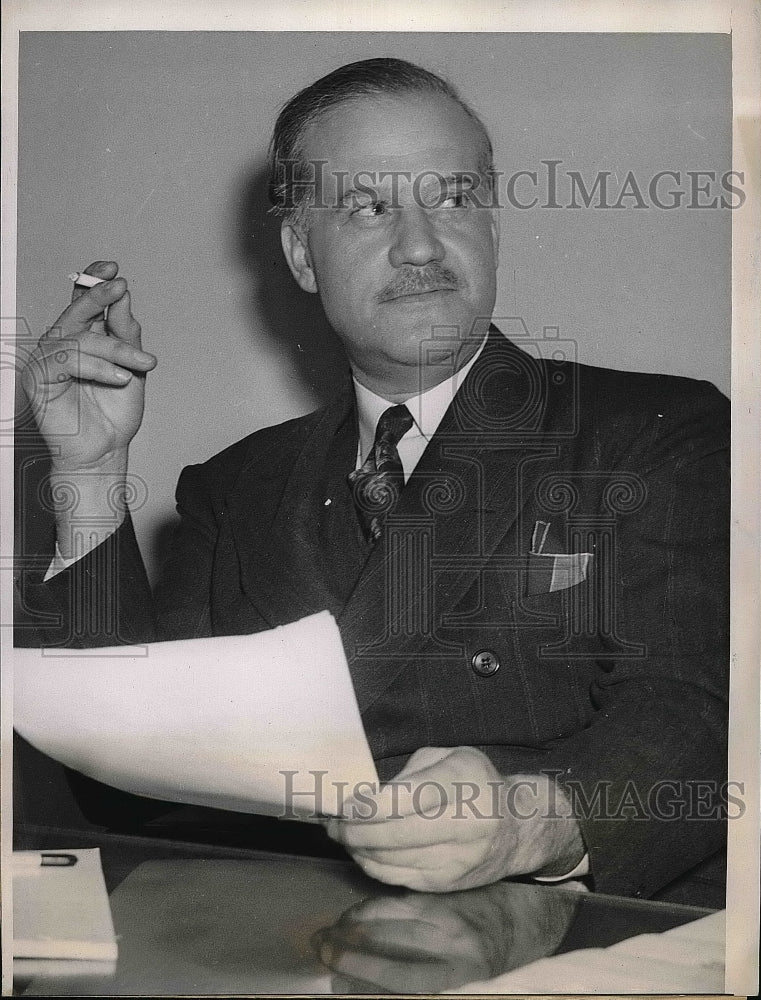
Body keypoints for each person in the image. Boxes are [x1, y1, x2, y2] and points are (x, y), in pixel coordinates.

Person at [17, 58, 729, 904]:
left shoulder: (652, 432)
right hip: (285, 939)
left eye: (453, 198)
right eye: (367, 209)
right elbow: (127, 766)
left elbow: (691, 714)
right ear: (301, 255)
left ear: (491, 226)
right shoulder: (235, 487)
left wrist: (528, 820)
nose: (422, 245)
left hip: (557, 939)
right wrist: (92, 474)